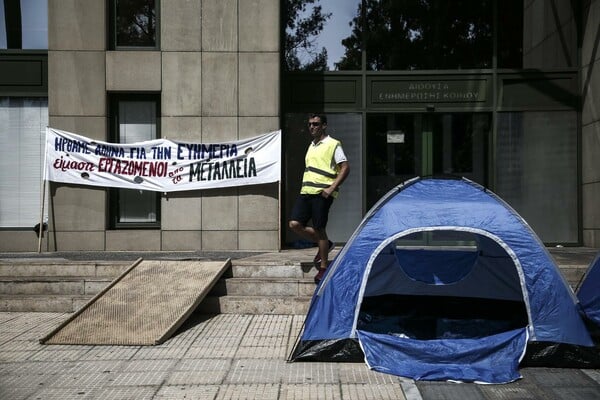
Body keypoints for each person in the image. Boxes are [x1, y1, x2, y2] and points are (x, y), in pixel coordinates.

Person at [289, 113, 350, 284]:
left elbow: (345, 168)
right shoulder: (311, 146)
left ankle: (323, 267)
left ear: (324, 125)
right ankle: (325, 244)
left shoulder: (333, 144)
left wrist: (332, 188)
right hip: (306, 191)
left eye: (315, 124)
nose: (312, 127)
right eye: (309, 124)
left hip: (322, 193)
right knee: (294, 224)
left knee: (319, 228)